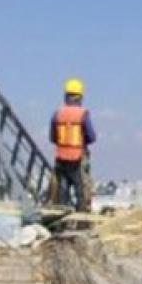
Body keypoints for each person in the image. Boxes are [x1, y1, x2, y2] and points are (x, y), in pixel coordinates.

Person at [49, 78, 96, 210]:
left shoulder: (57, 114)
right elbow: (92, 137)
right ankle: (81, 212)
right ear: (80, 97)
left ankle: (62, 213)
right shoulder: (83, 114)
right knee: (80, 189)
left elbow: (52, 137)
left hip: (61, 158)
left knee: (62, 189)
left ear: (66, 96)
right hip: (78, 158)